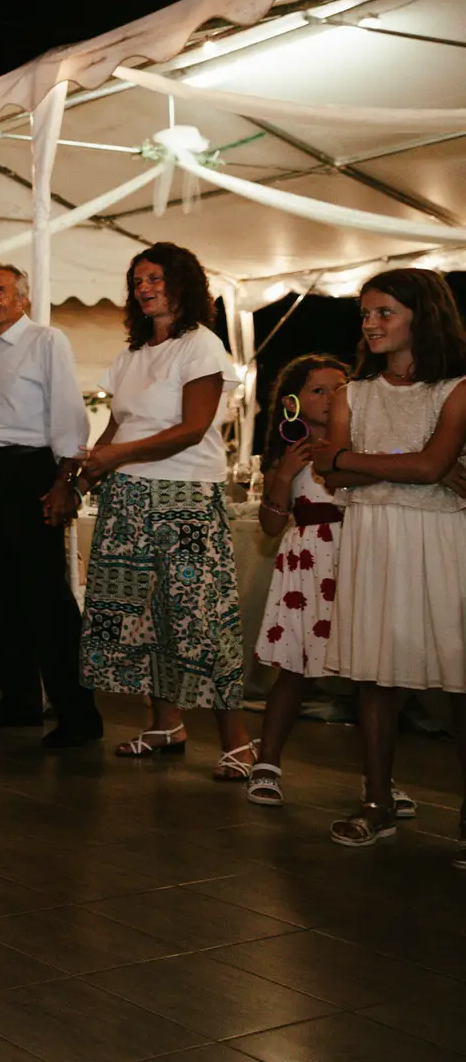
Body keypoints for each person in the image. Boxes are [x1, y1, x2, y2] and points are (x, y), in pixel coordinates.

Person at [300, 270, 466, 855]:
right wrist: (363, 459)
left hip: (442, 536)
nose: (369, 324)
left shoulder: (458, 389)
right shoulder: (355, 393)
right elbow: (328, 471)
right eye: (365, 314)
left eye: (383, 313)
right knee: (374, 673)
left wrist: (352, 455)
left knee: (457, 674)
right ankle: (376, 802)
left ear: (423, 315)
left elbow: (429, 466)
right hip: (372, 533)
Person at [77, 243, 252, 777]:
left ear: (182, 284)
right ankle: (165, 723)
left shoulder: (201, 346)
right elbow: (119, 426)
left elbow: (193, 429)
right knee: (140, 616)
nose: (145, 287)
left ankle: (238, 740)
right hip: (127, 496)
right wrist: (86, 471)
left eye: (155, 277)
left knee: (198, 616)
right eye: (137, 280)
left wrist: (118, 454)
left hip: (184, 499)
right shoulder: (130, 356)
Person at [0, 263, 104, 747]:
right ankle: (19, 700)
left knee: (45, 597)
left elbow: (69, 412)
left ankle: (78, 713)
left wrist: (66, 481)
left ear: (23, 298)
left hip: (29, 472)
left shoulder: (46, 341)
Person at [245, 355, 354, 806]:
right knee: (293, 669)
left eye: (339, 388)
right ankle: (267, 763)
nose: (332, 398)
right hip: (309, 565)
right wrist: (285, 476)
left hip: (359, 557)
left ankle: (378, 779)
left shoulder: (362, 444)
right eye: (319, 390)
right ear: (294, 402)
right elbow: (271, 528)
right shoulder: (290, 453)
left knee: (374, 678)